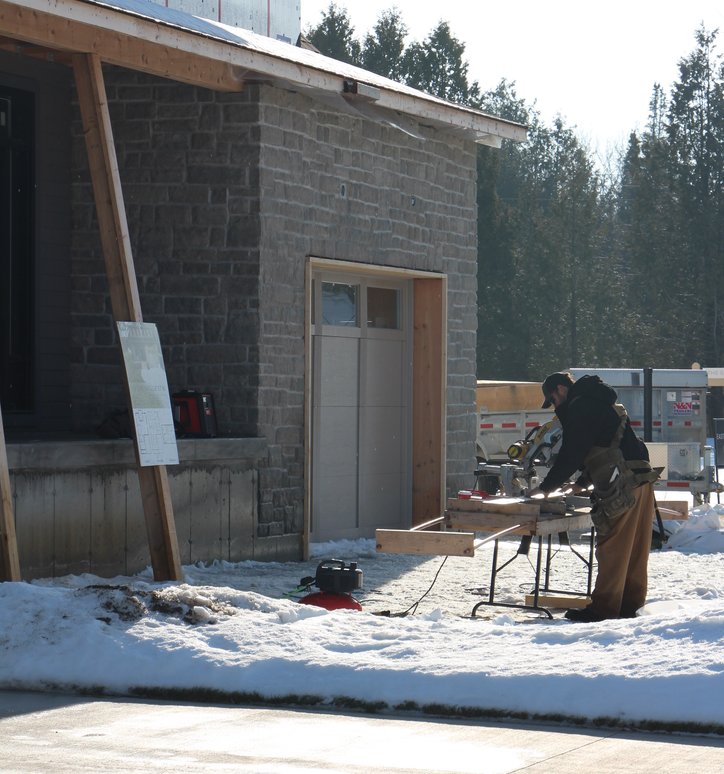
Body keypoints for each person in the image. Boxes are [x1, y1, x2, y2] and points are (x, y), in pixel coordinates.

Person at [528, 372, 660, 622]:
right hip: (640, 479)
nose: (555, 406)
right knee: (634, 550)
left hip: (622, 485)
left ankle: (603, 610)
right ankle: (629, 606)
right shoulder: (599, 401)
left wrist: (545, 488)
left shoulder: (581, 406)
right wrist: (580, 484)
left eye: (553, 400)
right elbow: (605, 446)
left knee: (612, 546)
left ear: (561, 389)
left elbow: (572, 452)